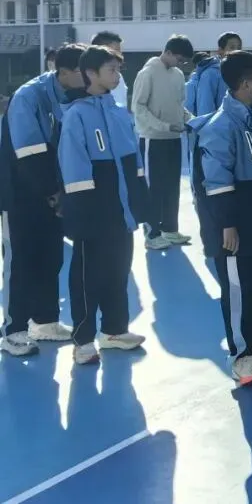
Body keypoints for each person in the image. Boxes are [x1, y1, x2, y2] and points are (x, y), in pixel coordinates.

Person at [60, 45, 151, 365]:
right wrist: (83, 213)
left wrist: (140, 201)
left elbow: (135, 162)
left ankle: (114, 330)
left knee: (118, 270)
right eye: (111, 70)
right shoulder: (76, 115)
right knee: (87, 278)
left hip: (121, 212)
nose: (117, 75)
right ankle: (83, 340)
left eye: (118, 70)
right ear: (90, 73)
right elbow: (74, 169)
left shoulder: (118, 112)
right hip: (93, 212)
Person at [194, 51, 252, 385]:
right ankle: (241, 355)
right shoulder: (221, 126)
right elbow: (216, 183)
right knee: (237, 287)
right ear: (245, 84)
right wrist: (227, 224)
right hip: (235, 218)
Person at [0, 44, 85, 357]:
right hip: (21, 193)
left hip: (54, 192)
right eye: (84, 71)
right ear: (65, 72)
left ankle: (45, 321)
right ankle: (13, 331)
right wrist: (53, 193)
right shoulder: (29, 97)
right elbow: (30, 154)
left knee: (52, 256)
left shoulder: (73, 94)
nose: (90, 77)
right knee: (22, 261)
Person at [132, 34, 195, 250]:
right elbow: (138, 107)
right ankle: (152, 234)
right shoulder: (147, 73)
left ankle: (170, 229)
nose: (181, 64)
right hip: (152, 139)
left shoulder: (178, 75)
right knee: (154, 188)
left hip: (173, 139)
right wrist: (164, 126)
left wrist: (192, 120)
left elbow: (179, 105)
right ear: (167, 52)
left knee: (171, 186)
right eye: (179, 59)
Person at [194, 32, 244, 116]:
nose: (236, 51)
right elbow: (205, 109)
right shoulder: (210, 74)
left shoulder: (241, 73)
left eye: (239, 48)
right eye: (232, 47)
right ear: (220, 50)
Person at [91, 31, 128, 110]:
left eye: (120, 52)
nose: (119, 56)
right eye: (115, 52)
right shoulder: (88, 78)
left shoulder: (119, 77)